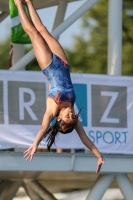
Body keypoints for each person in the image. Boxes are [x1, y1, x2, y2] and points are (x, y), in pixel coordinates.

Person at [14, 0, 105, 173]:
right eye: (72, 116)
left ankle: (19, 4)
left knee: (33, 33)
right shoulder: (71, 115)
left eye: (68, 117)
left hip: (49, 65)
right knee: (43, 29)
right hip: (63, 63)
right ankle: (28, 2)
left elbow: (43, 128)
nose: (71, 114)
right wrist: (99, 156)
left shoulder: (51, 110)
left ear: (60, 119)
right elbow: (85, 139)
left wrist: (35, 144)